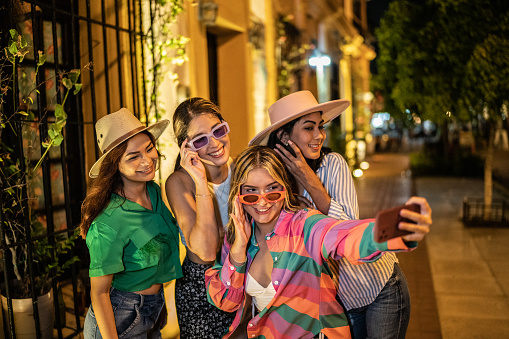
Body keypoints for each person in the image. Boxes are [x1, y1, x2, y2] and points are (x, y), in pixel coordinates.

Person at [205, 146, 432, 338]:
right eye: (251, 193)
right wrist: (237, 250)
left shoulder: (304, 225)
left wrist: (394, 230)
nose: (262, 202)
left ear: (285, 189)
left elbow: (343, 235)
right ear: (238, 196)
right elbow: (226, 302)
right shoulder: (236, 237)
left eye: (272, 190)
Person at [250, 90, 425, 338]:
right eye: (309, 128)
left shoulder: (333, 164)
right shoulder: (274, 183)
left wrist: (308, 178)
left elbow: (348, 230)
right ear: (283, 136)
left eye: (320, 127)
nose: (319, 135)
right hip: (337, 303)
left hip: (378, 289)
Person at [80, 108, 182, 338]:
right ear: (115, 164)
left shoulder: (153, 191)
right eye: (133, 156)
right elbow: (99, 294)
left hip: (154, 307)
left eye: (149, 149)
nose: (147, 161)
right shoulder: (108, 221)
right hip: (119, 316)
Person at [165, 98, 236, 338]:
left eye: (218, 130)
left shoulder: (242, 171)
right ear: (186, 147)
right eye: (200, 139)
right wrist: (200, 180)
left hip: (244, 280)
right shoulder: (179, 183)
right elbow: (206, 251)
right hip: (201, 291)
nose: (215, 143)